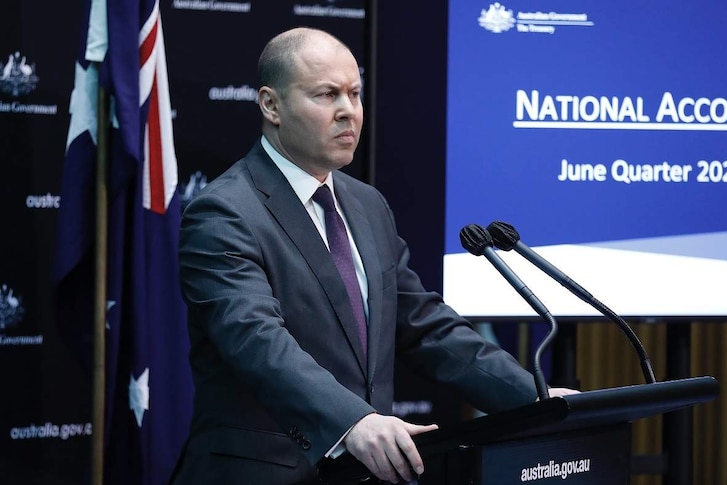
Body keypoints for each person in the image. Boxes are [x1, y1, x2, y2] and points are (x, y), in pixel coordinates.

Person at [170, 27, 575, 485]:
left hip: (370, 474)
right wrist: (353, 421)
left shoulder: (366, 205)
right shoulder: (224, 211)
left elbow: (425, 327)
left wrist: (537, 397)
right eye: (327, 95)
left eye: (355, 93)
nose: (348, 111)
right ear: (271, 105)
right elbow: (256, 341)